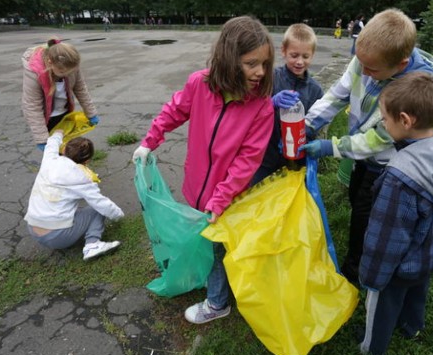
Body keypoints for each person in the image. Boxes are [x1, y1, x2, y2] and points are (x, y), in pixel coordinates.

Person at [131, 16, 275, 324]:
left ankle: (217, 302)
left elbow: (247, 161)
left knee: (219, 248)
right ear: (228, 58)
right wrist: (149, 142)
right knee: (209, 243)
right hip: (197, 188)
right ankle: (221, 285)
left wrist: (220, 199)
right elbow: (175, 110)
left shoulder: (261, 106)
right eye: (251, 63)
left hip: (229, 197)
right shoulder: (200, 83)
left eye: (264, 64)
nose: (260, 72)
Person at [300, 8, 433, 284]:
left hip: (388, 164)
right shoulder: (367, 59)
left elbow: (379, 138)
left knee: (367, 216)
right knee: (357, 197)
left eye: (371, 69)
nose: (363, 71)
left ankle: (357, 271)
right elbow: (338, 94)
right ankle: (366, 245)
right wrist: (309, 123)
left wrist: (331, 147)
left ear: (400, 65)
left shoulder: (411, 90)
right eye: (359, 61)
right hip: (360, 155)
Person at [357, 72, 433, 355]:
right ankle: (411, 326)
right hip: (428, 255)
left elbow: (386, 237)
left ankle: (372, 350)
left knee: (384, 303)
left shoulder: (399, 177)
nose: (382, 122)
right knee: (417, 289)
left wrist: (372, 278)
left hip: (397, 267)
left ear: (405, 121)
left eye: (384, 118)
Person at [24, 130, 124, 260]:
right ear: (87, 161)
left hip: (33, 228)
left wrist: (58, 134)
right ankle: (92, 245)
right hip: (57, 237)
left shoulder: (49, 159)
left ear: (64, 149)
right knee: (96, 210)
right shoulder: (82, 177)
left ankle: (72, 233)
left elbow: (51, 144)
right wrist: (119, 216)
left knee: (72, 207)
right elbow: (101, 204)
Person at [251, 23, 324, 185]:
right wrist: (271, 103)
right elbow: (250, 112)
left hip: (296, 160)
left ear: (312, 55)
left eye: (305, 56)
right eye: (294, 55)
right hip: (265, 155)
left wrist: (303, 139)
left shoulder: (315, 91)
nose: (299, 62)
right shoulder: (269, 79)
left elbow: (316, 125)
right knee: (257, 194)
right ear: (283, 51)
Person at [22, 38, 99, 151]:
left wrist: (91, 113)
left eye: (71, 72)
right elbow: (32, 106)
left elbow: (81, 89)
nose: (67, 75)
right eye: (63, 72)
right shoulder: (34, 73)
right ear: (50, 63)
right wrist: (42, 139)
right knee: (54, 152)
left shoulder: (71, 65)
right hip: (47, 119)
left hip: (65, 113)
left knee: (69, 148)